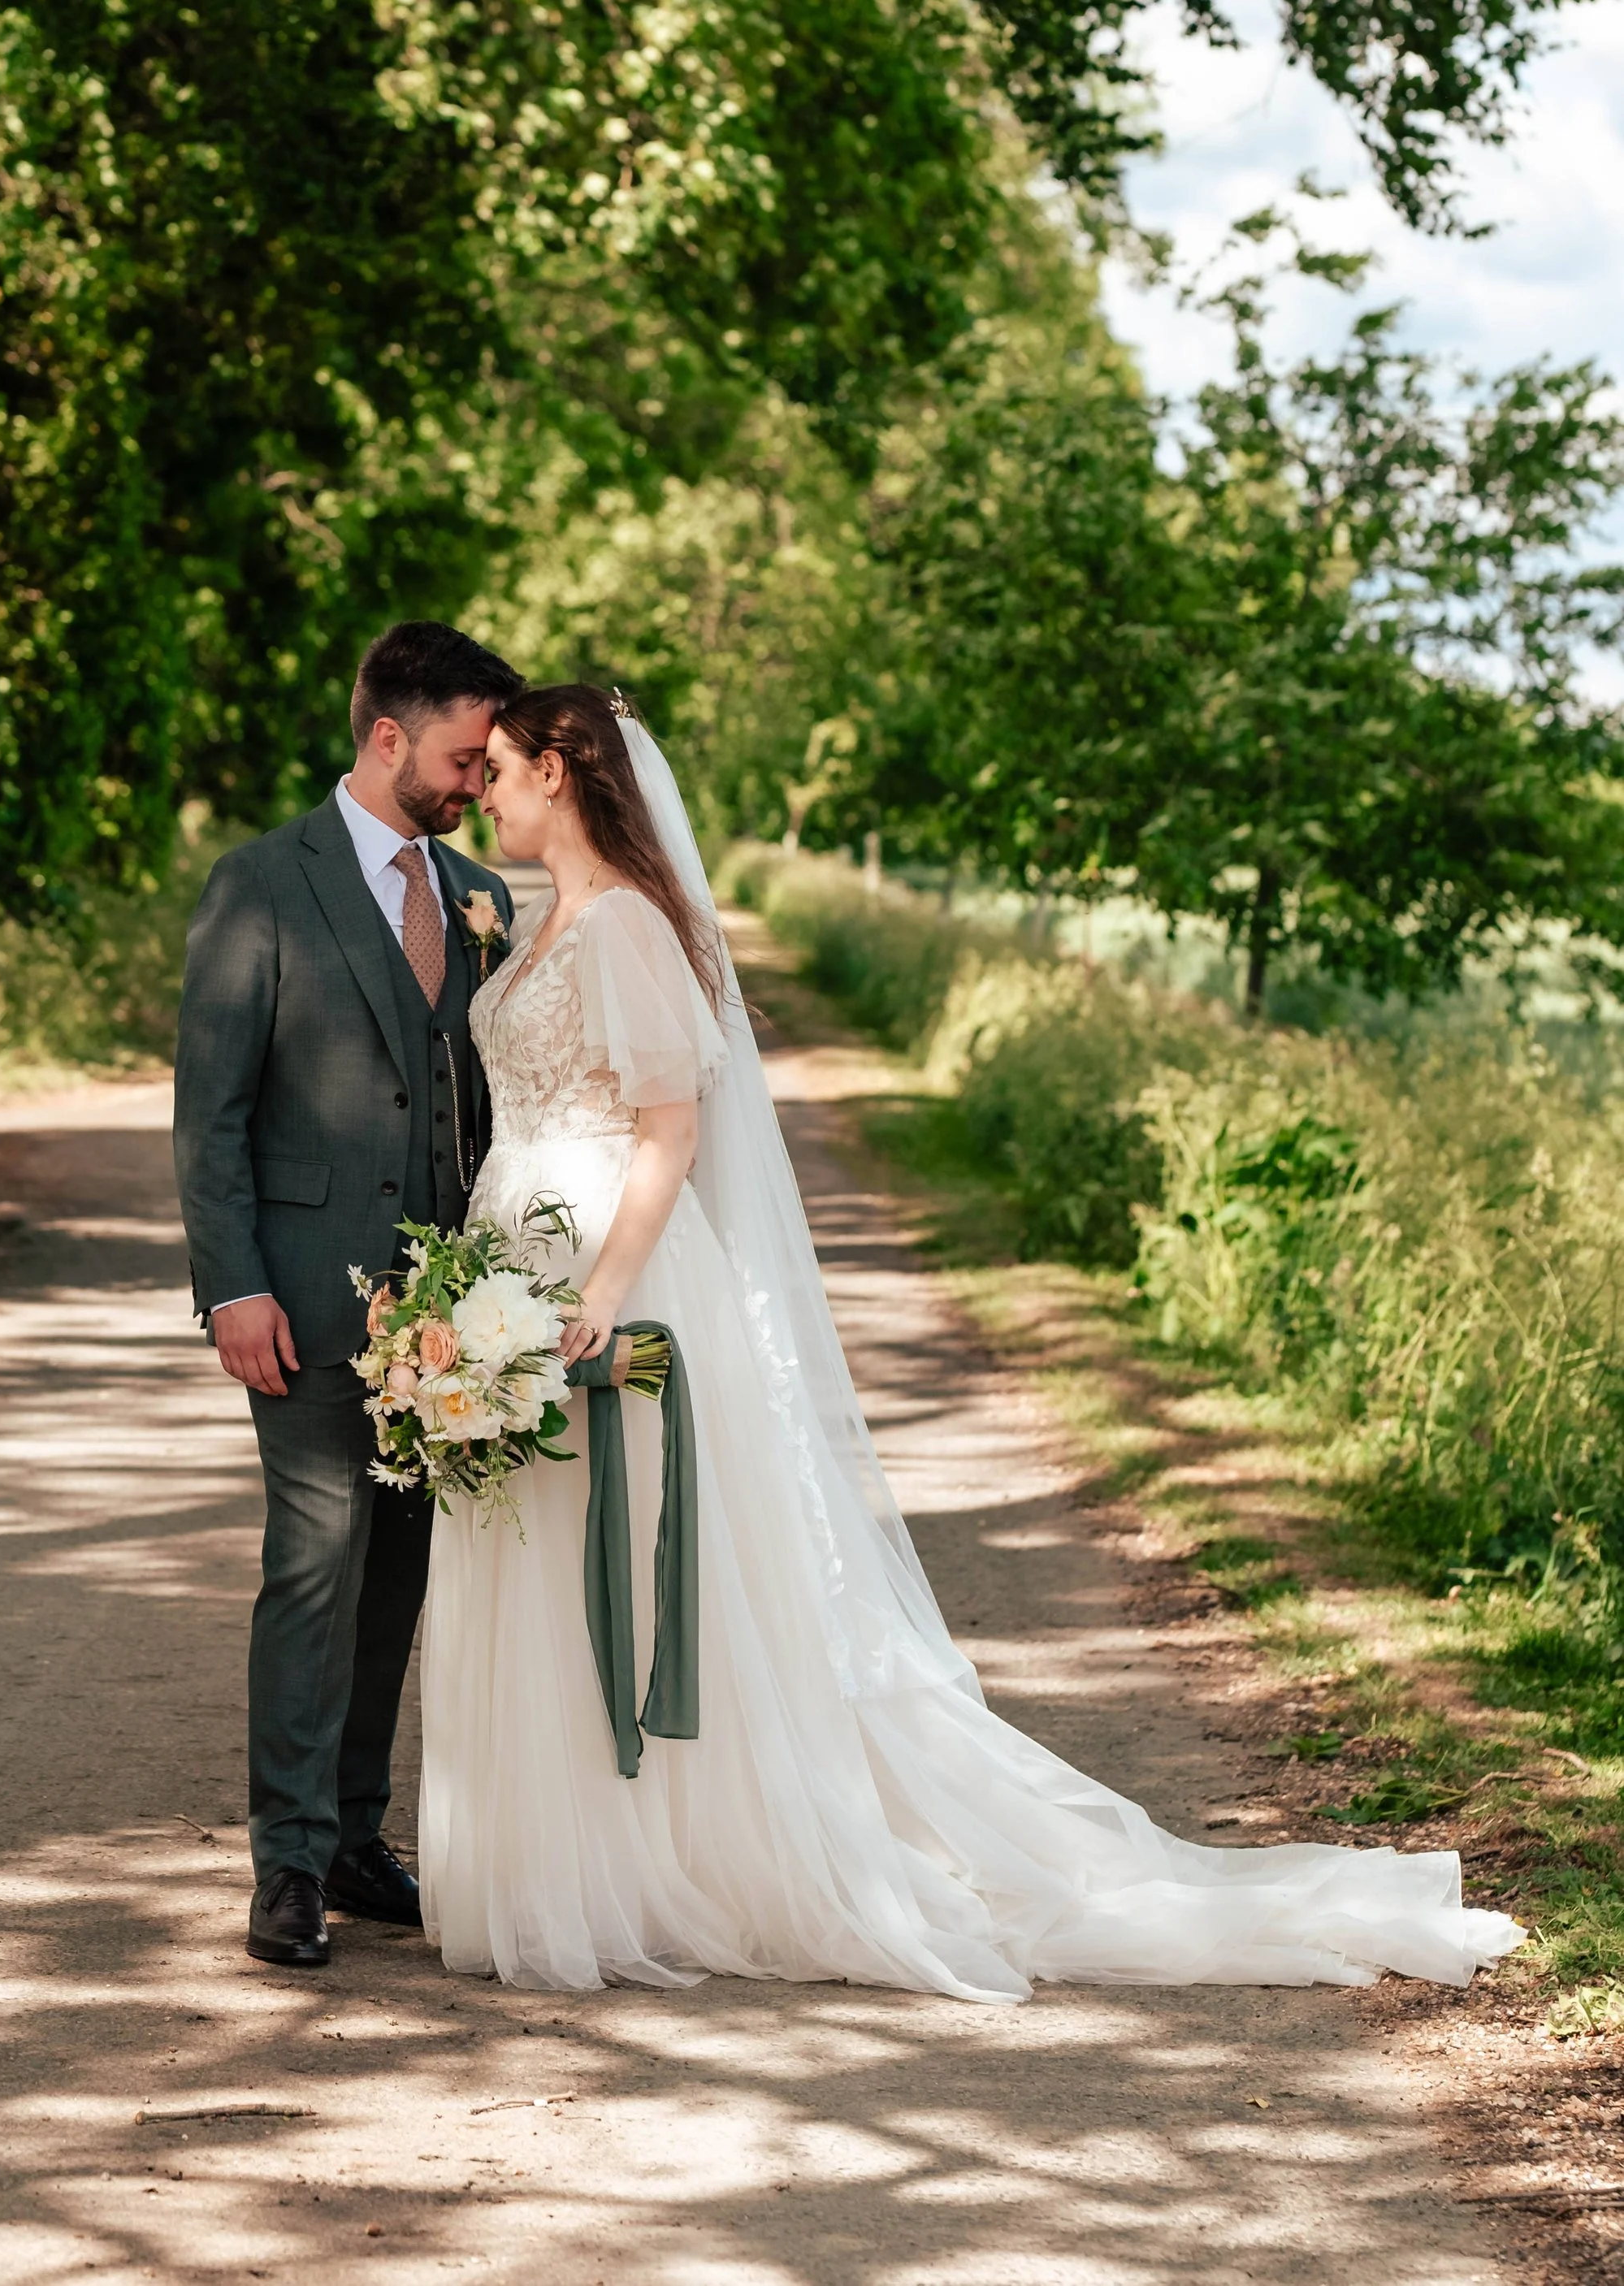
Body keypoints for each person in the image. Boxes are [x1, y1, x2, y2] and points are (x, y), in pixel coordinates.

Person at [418, 682, 1526, 1999]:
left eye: (498, 765)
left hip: (617, 1272)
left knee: (643, 1561)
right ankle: (559, 1860)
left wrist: (602, 1289)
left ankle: (656, 1861)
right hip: (517, 1264)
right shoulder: (541, 927)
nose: (481, 786)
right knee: (536, 1546)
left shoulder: (629, 933)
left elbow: (668, 1129)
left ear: (561, 768)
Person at [173, 620, 522, 1970]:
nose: (477, 779)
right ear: (389, 736)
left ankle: (359, 1833)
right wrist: (234, 1285)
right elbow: (212, 1114)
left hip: (458, 1315)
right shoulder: (260, 883)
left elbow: (488, 1092)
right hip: (309, 1296)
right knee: (314, 1570)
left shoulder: (483, 894)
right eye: (461, 754)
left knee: (402, 1576)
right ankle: (287, 1863)